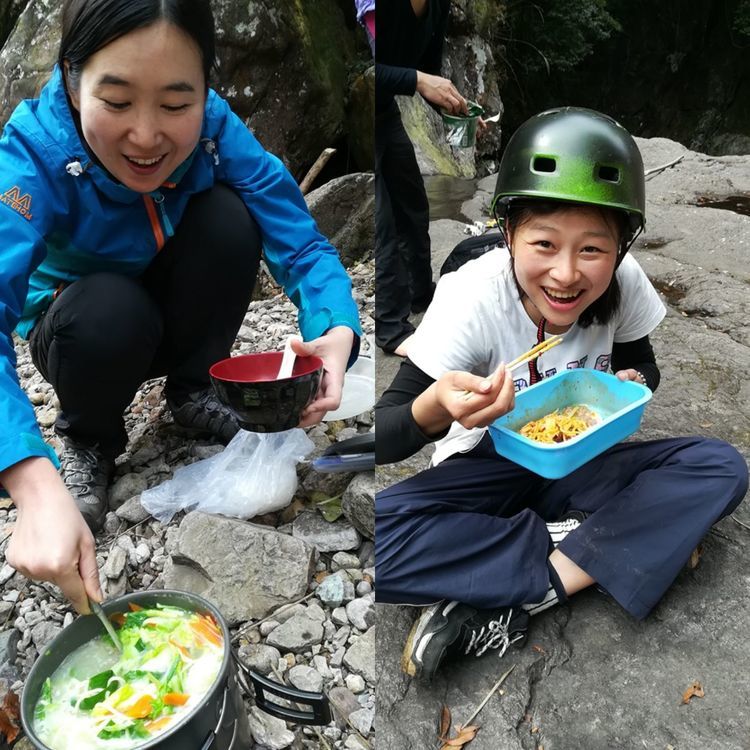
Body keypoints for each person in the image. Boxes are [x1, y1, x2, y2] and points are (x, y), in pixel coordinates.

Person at [0, 0, 362, 615]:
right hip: (85, 328)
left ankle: (193, 389)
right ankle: (88, 437)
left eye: (175, 105)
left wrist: (336, 330)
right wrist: (31, 482)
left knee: (228, 218)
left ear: (205, 87)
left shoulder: (217, 130)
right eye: (116, 101)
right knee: (108, 308)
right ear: (71, 78)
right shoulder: (33, 155)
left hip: (171, 303)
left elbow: (298, 239)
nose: (146, 136)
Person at [374, 107, 748, 681]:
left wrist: (634, 384)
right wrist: (433, 410)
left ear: (621, 246)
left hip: (582, 457)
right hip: (491, 461)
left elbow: (643, 364)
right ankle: (597, 543)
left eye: (592, 250)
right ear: (508, 232)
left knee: (719, 466)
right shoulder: (472, 297)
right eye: (544, 243)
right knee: (382, 539)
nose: (567, 274)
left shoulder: (623, 282)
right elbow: (382, 433)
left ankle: (533, 589)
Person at [375, 0, 469, 355]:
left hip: (384, 112)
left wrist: (459, 109)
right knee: (382, 222)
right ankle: (390, 328)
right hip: (360, 108)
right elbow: (361, 71)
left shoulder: (437, 6)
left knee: (412, 204)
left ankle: (420, 295)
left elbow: (428, 74)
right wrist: (416, 80)